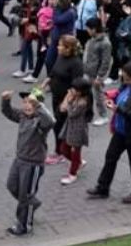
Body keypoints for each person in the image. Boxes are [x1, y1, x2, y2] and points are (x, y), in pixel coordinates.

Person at [87, 62, 131, 204]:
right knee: (110, 157)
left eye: (127, 79)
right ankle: (103, 187)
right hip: (122, 130)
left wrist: (119, 109)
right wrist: (112, 97)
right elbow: (121, 94)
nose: (124, 81)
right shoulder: (128, 84)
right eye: (123, 78)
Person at [0, 89, 55, 236]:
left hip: (33, 164)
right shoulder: (23, 116)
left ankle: (24, 225)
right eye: (24, 102)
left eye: (31, 103)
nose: (27, 105)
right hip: (19, 160)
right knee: (12, 186)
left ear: (38, 105)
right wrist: (6, 100)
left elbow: (51, 121)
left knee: (26, 195)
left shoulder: (41, 121)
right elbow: (9, 112)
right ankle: (32, 204)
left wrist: (38, 106)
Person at [43, 35, 84, 165]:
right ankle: (60, 150)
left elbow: (76, 86)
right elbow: (54, 72)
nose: (57, 47)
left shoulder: (76, 63)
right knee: (57, 124)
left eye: (60, 45)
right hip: (56, 96)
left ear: (69, 48)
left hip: (66, 99)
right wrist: (46, 82)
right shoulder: (60, 56)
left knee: (60, 125)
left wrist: (66, 102)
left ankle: (62, 153)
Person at [58, 77, 92, 185]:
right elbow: (62, 109)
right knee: (63, 149)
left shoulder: (82, 102)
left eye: (74, 89)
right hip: (70, 127)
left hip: (77, 130)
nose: (71, 90)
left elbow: (71, 113)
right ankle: (78, 163)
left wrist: (68, 99)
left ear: (80, 91)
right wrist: (69, 100)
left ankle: (73, 174)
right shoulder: (76, 98)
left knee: (74, 152)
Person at [83, 18, 113, 127]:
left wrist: (99, 77)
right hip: (88, 72)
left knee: (98, 95)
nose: (87, 31)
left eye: (88, 29)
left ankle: (103, 115)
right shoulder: (91, 39)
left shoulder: (105, 43)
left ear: (94, 29)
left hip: (96, 75)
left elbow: (106, 62)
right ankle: (88, 114)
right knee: (87, 94)